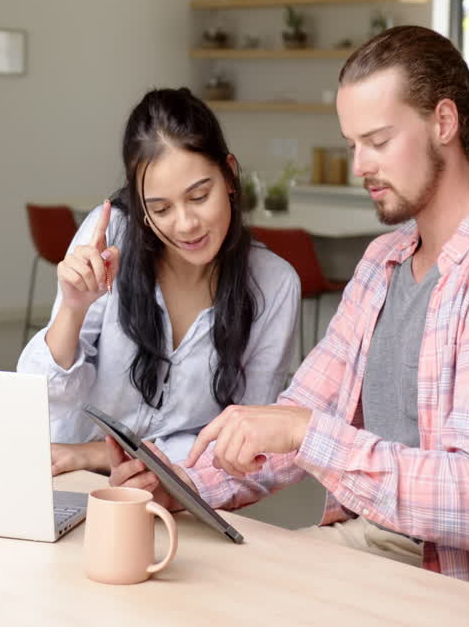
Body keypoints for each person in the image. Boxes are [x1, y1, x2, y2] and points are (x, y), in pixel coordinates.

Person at [108, 26, 469, 608]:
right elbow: (297, 415)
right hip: (368, 546)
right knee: (183, 593)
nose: (360, 165)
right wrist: (179, 483)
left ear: (444, 122)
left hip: (462, 586)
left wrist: (311, 435)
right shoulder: (383, 262)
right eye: (352, 144)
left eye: (379, 141)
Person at [18, 88, 300, 476]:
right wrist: (73, 308)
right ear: (140, 209)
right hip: (70, 477)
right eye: (161, 209)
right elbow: (41, 400)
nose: (186, 224)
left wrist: (94, 455)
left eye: (199, 196)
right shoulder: (109, 240)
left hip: (181, 492)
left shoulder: (274, 284)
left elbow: (250, 442)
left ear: (230, 176)